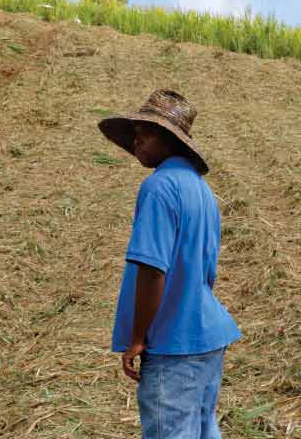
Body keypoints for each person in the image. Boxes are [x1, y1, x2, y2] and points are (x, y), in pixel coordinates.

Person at [98, 88, 241, 439]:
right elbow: (206, 271)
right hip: (207, 335)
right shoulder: (202, 191)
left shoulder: (159, 187)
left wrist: (137, 338)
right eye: (135, 133)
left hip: (173, 343)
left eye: (145, 132)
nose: (136, 141)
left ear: (169, 139)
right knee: (203, 428)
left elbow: (152, 269)